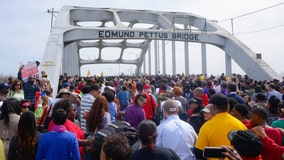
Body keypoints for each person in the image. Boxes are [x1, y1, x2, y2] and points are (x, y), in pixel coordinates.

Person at [194, 93, 247, 159]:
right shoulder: (240, 125)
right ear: (228, 107)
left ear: (212, 107)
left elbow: (199, 152)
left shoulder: (207, 126)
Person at [85, 95, 111, 160]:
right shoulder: (106, 116)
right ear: (105, 104)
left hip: (90, 142)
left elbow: (88, 129)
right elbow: (107, 130)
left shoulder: (90, 114)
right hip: (100, 143)